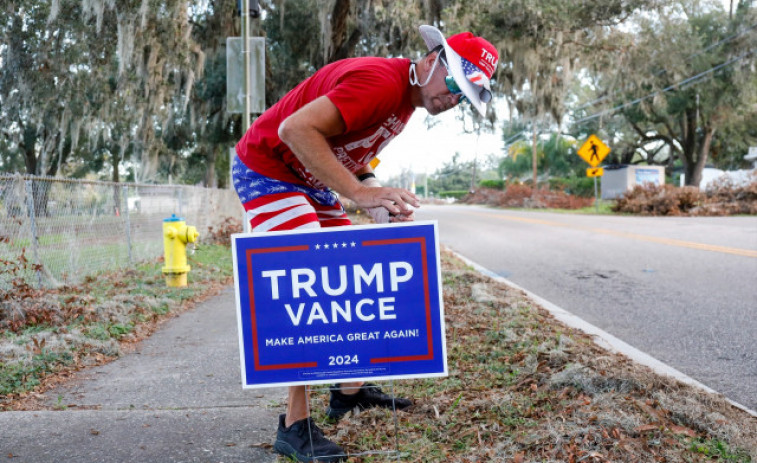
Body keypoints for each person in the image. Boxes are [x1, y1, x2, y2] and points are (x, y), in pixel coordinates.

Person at [233, 24, 498, 463]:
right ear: (433, 61)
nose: (453, 101)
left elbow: (354, 159)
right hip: (268, 169)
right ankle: (294, 425)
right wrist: (359, 197)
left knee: (352, 273)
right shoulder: (380, 82)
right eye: (455, 85)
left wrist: (379, 201)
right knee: (310, 277)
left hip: (308, 180)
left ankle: (347, 392)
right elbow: (296, 131)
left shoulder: (406, 103)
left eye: (463, 97)